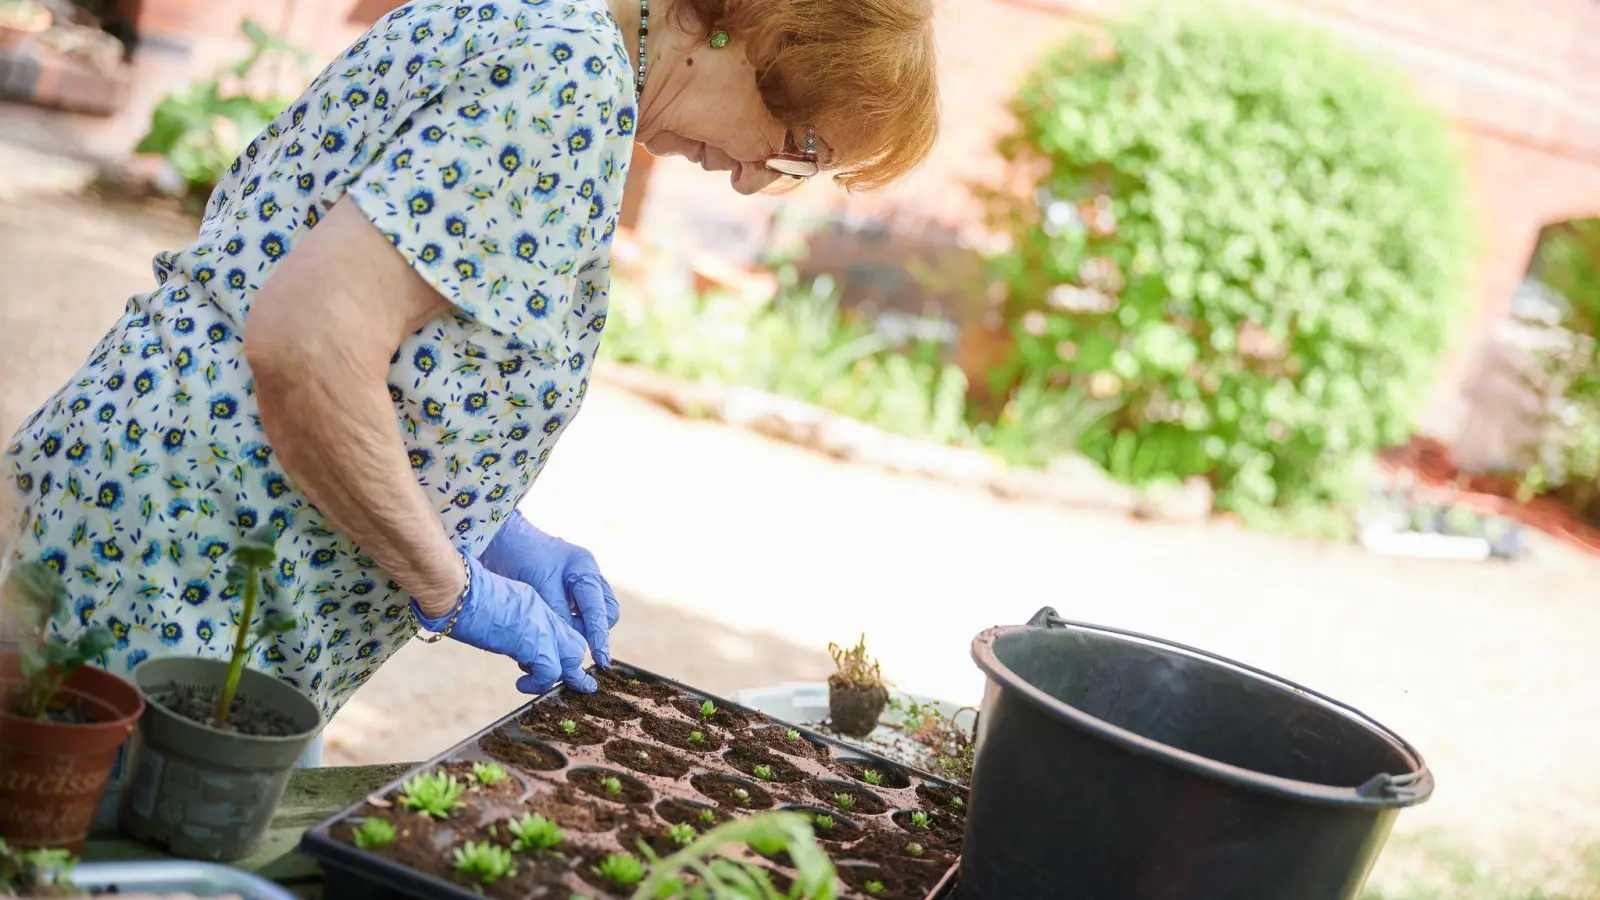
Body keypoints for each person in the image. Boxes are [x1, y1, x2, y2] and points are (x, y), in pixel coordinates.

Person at [1, 0, 938, 765]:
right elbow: (305, 345)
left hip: (178, 528)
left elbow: (395, 340)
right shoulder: (564, 76)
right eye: (801, 149)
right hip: (189, 557)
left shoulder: (563, 42)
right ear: (762, 33)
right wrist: (452, 584)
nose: (753, 186)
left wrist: (491, 526)